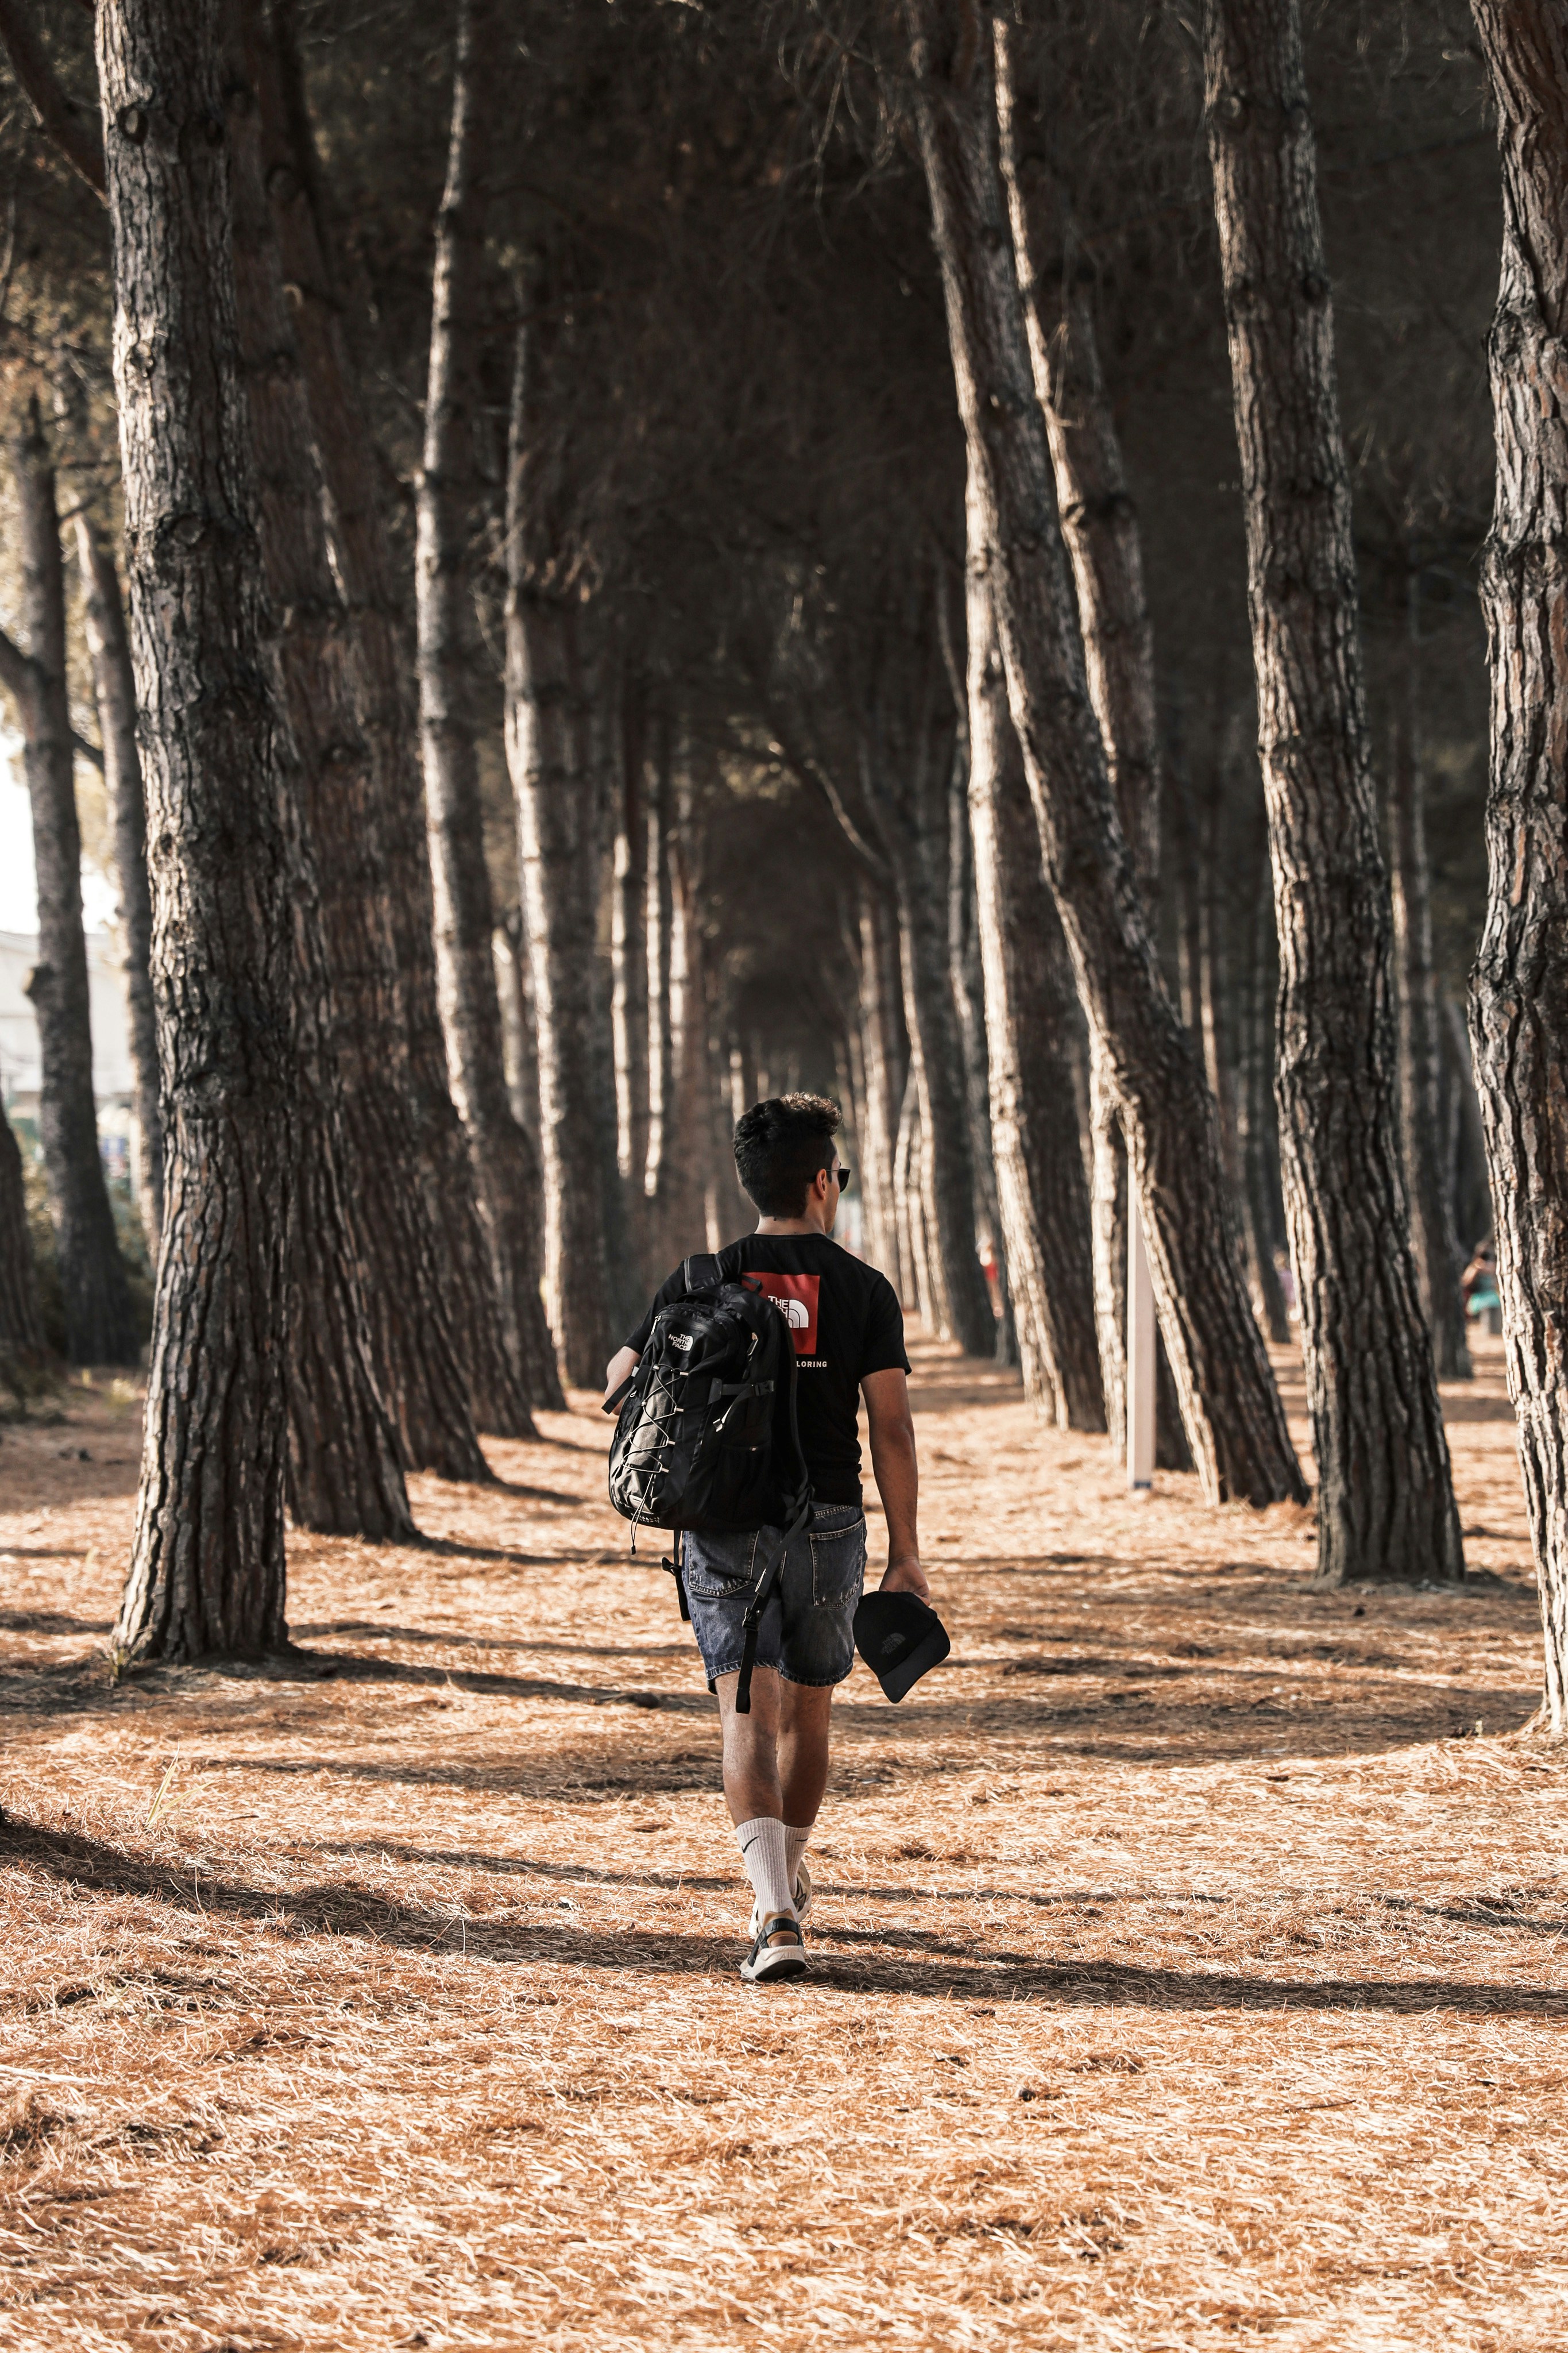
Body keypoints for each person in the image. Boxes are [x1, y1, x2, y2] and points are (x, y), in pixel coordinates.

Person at [604, 1093, 927, 1985]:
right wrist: (906, 1554)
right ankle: (784, 1878)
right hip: (828, 1520)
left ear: (752, 1182)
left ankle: (774, 1911)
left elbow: (617, 1382)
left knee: (745, 1713)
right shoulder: (862, 1288)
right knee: (810, 1712)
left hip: (723, 1520)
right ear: (822, 1181)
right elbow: (891, 1428)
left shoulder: (704, 1276)